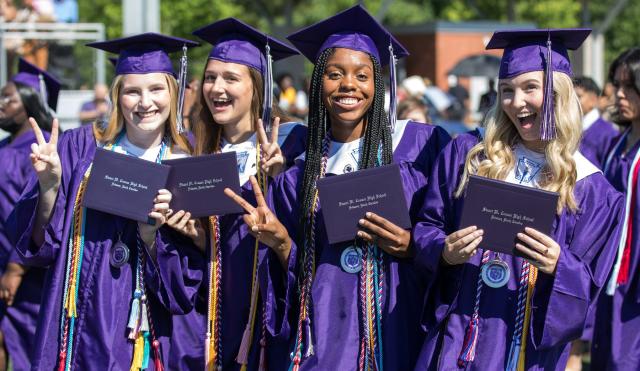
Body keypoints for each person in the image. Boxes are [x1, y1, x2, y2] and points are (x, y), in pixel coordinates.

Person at [224, 5, 450, 370]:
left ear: (378, 84)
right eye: (334, 74)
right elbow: (299, 268)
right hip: (324, 333)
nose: (349, 85)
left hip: (396, 327)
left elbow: (444, 228)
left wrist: (412, 247)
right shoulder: (301, 169)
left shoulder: (417, 146)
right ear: (318, 85)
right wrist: (281, 241)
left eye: (362, 75)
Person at [412, 29, 623, 370]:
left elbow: (588, 291)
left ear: (559, 93)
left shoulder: (591, 189)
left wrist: (559, 266)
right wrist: (445, 251)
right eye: (506, 91)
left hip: (526, 352)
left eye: (530, 88)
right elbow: (427, 226)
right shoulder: (468, 155)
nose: (515, 102)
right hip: (458, 338)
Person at [7, 33, 203, 370]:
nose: (145, 102)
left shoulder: (192, 157)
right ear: (117, 95)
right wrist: (51, 185)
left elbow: (197, 275)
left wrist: (152, 239)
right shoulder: (80, 147)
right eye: (132, 91)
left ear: (173, 92)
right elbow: (42, 245)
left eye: (156, 89)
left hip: (155, 333)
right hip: (84, 322)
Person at [164, 18, 306, 370]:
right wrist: (197, 239)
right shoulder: (194, 152)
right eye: (211, 77)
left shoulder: (294, 144)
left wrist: (282, 176)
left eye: (231, 78)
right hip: (212, 317)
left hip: (274, 310)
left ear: (258, 87)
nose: (216, 88)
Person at [0, 58, 58, 371]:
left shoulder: (38, 149)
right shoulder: (4, 146)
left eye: (8, 97)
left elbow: (37, 207)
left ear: (30, 103)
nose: (0, 103)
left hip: (29, 272)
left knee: (27, 349)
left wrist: (15, 267)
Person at [592, 47, 640, 370]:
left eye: (630, 86)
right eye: (616, 84)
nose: (619, 94)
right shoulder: (616, 147)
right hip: (611, 281)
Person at [574, 75, 619, 169]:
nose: (573, 101)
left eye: (579, 96)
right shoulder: (571, 129)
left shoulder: (608, 133)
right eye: (571, 96)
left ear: (593, 99)